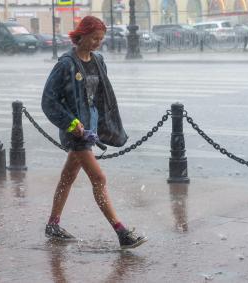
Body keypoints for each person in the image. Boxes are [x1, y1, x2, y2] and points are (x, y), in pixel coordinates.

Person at [41, 16, 147, 249]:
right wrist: (71, 124)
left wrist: (101, 126)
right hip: (74, 132)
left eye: (101, 39)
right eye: (94, 38)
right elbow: (48, 101)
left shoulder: (98, 61)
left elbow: (100, 98)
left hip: (89, 130)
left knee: (68, 177)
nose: (98, 43)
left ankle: (52, 224)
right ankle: (121, 232)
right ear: (82, 35)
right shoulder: (66, 64)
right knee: (99, 178)